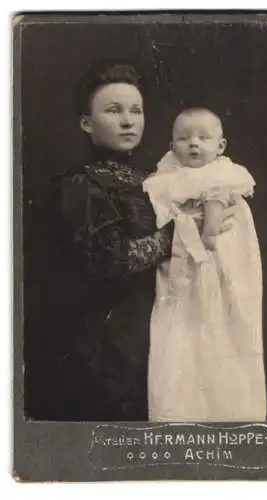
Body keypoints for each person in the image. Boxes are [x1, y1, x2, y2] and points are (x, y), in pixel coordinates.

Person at [51, 64, 237, 421]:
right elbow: (110, 259)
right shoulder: (82, 185)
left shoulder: (154, 178)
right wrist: (180, 235)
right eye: (112, 110)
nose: (127, 121)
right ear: (87, 123)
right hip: (114, 342)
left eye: (135, 111)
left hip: (166, 327)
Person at [144, 107, 267, 422]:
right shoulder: (167, 177)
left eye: (203, 137)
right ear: (172, 147)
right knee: (182, 331)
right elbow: (162, 212)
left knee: (226, 325)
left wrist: (208, 226)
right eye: (184, 139)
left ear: (221, 145)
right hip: (183, 262)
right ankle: (180, 412)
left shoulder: (225, 172)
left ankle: (232, 410)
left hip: (223, 260)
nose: (194, 144)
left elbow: (221, 198)